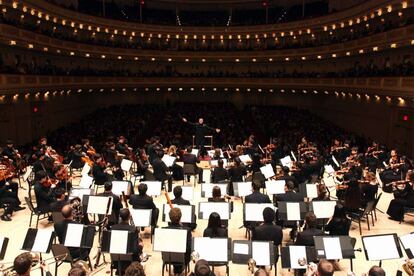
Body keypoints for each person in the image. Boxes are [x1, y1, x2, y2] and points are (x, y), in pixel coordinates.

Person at [111, 209, 143, 274]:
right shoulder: (133, 229)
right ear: (129, 217)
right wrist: (140, 247)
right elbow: (135, 250)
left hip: (116, 261)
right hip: (130, 263)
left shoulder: (113, 228)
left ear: (120, 217)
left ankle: (120, 270)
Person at [163, 207, 191, 275]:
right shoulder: (187, 230)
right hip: (182, 258)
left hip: (167, 258)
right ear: (180, 218)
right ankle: (179, 269)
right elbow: (189, 248)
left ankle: (177, 269)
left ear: (169, 218)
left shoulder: (163, 230)